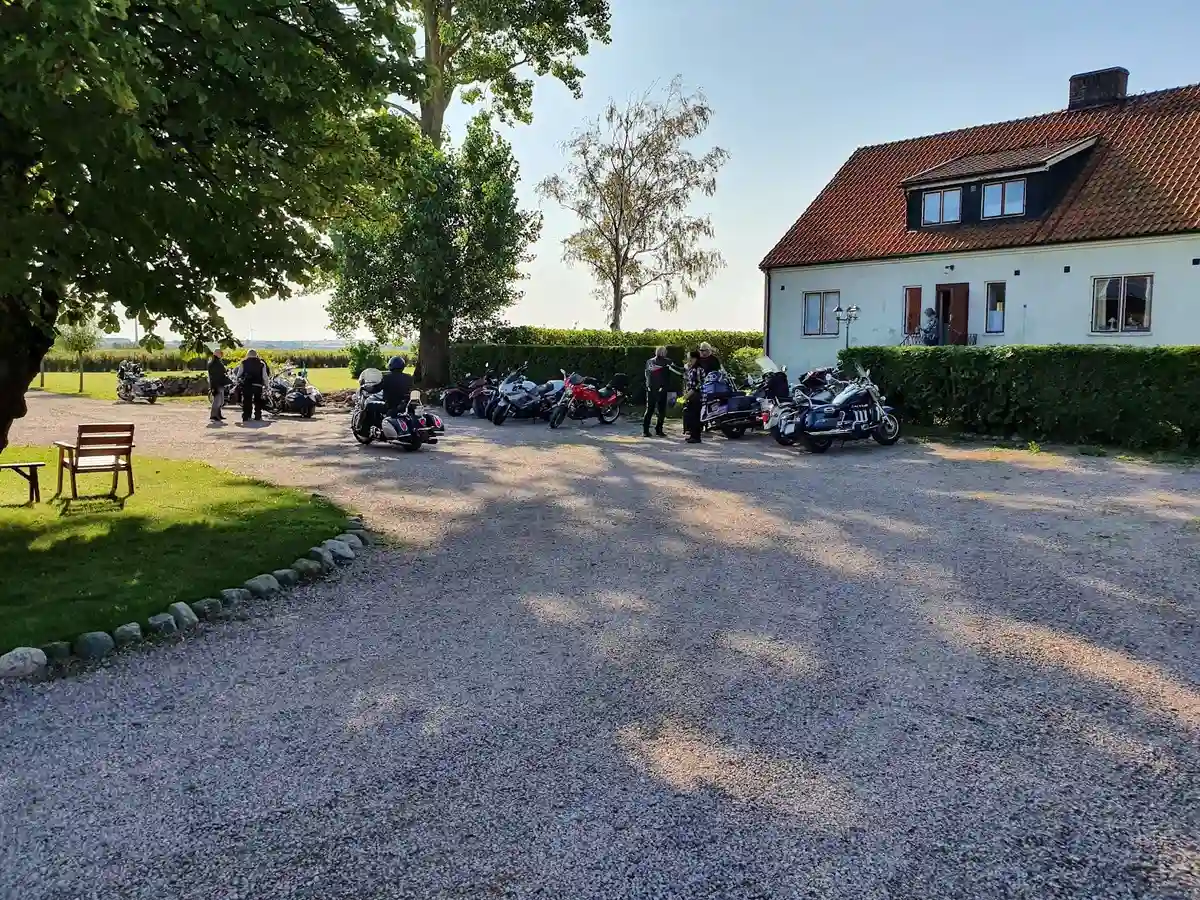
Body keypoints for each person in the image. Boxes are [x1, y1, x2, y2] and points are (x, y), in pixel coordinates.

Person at [643, 346, 681, 438]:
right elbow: (677, 370)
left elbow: (647, 374)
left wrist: (648, 386)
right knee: (661, 410)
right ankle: (658, 430)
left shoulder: (650, 361)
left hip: (651, 389)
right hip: (661, 388)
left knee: (650, 410)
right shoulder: (667, 362)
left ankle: (646, 431)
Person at [239, 348, 269, 421]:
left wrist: (239, 381)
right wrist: (266, 384)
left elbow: (239, 374)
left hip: (247, 385)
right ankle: (257, 416)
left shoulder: (243, 362)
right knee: (258, 401)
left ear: (247, 355)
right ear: (256, 355)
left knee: (246, 400)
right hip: (258, 385)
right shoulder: (261, 363)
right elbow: (264, 376)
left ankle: (246, 416)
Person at [682, 349, 703, 444]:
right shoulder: (690, 368)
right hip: (690, 394)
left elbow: (700, 383)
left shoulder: (698, 369)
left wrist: (691, 392)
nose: (688, 360)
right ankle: (692, 435)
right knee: (690, 415)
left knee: (695, 416)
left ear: (695, 358)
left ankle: (696, 437)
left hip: (696, 395)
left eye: (690, 358)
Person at [206, 348, 228, 422]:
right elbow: (222, 371)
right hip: (216, 384)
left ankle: (218, 414)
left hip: (218, 383)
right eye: (220, 353)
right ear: (217, 354)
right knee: (217, 400)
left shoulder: (215, 361)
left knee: (220, 401)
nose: (221, 354)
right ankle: (214, 415)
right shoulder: (215, 362)